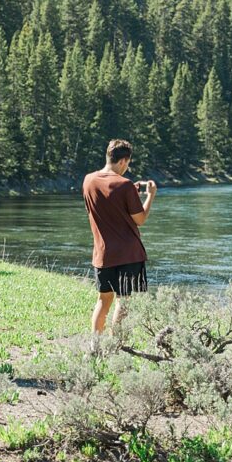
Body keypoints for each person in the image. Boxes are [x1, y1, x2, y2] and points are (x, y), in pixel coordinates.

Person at [82, 139, 157, 333]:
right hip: (128, 255)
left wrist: (130, 192)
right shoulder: (125, 185)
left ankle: (96, 344)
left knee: (103, 300)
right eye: (127, 163)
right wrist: (150, 196)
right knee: (124, 301)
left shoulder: (88, 180)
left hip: (103, 254)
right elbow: (140, 219)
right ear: (123, 161)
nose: (126, 168)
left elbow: (107, 203)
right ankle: (115, 345)